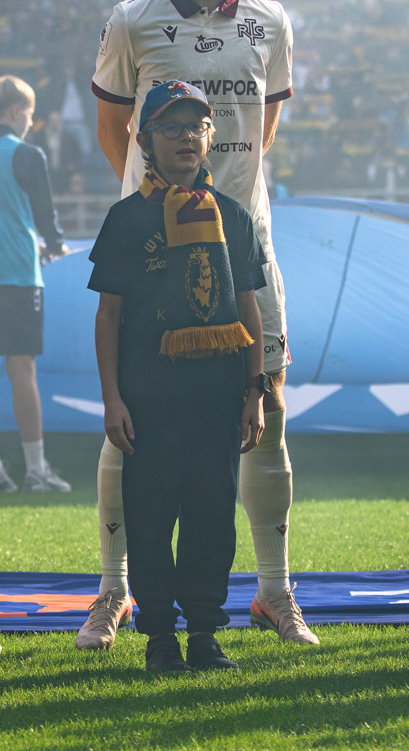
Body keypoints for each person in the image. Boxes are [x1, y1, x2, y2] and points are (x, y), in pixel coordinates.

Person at [86, 0, 311, 650]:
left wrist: (219, 210)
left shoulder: (270, 20)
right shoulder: (132, 20)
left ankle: (275, 592)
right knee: (130, 421)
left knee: (266, 408)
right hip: (155, 256)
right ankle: (114, 589)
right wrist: (156, 205)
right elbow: (116, 130)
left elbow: (260, 131)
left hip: (243, 245)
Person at [90, 82, 266, 673]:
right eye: (171, 127)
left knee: (212, 518)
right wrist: (112, 399)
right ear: (145, 141)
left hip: (218, 396)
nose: (186, 138)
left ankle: (205, 634)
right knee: (150, 518)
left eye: (197, 127)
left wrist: (255, 391)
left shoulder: (233, 216)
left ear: (210, 138)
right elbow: (108, 316)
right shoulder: (127, 218)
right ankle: (159, 637)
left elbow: (250, 309)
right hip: (149, 398)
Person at [0, 75, 69, 494]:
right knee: (22, 370)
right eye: (30, 114)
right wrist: (53, 244)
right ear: (18, 110)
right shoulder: (27, 153)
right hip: (19, 277)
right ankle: (36, 470)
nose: (30, 122)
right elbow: (44, 214)